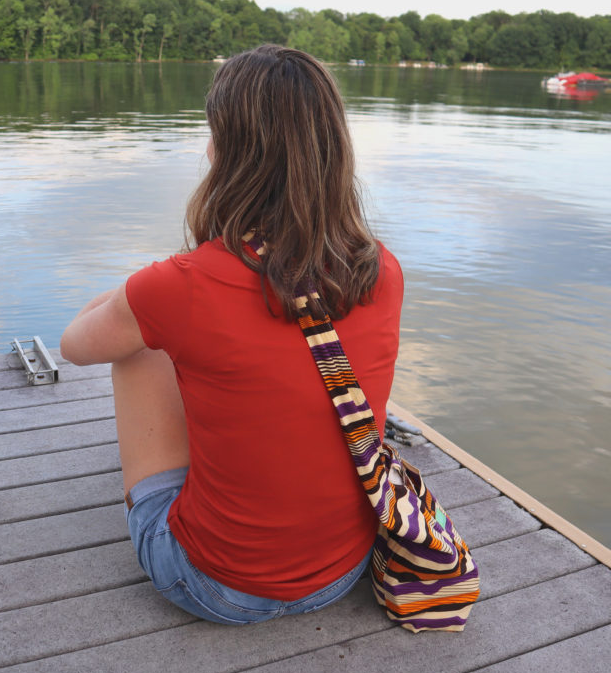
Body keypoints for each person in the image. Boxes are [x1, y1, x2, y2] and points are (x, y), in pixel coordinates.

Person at [60, 44, 403, 625]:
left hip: (217, 586)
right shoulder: (381, 268)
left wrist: (135, 294)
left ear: (224, 148)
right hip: (347, 566)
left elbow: (75, 347)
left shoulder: (182, 285)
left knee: (139, 349)